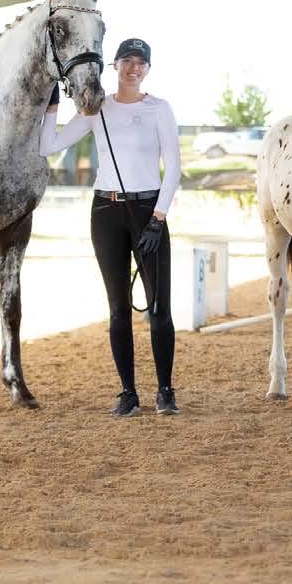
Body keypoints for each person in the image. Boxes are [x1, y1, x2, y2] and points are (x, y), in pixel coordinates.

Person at [41, 37, 181, 417]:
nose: (134, 68)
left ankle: (165, 390)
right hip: (106, 211)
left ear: (148, 69)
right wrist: (52, 103)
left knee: (159, 307)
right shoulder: (97, 108)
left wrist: (158, 217)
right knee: (118, 309)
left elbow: (173, 167)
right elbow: (48, 146)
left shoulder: (159, 109)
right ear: (114, 65)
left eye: (141, 62)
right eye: (127, 61)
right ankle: (128, 393)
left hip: (148, 211)